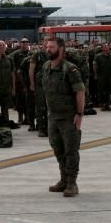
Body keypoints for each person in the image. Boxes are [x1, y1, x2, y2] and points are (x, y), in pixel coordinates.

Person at [42, 37, 85, 198]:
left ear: (60, 49)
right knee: (57, 149)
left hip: (68, 117)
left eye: (51, 47)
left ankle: (72, 183)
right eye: (47, 47)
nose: (48, 49)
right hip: (53, 116)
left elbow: (80, 91)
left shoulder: (70, 69)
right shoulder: (46, 67)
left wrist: (79, 114)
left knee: (71, 150)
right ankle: (63, 180)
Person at [94, 43, 111, 111]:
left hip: (109, 76)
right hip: (101, 76)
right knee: (101, 91)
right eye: (105, 47)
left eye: (107, 47)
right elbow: (95, 66)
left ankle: (107, 105)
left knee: (109, 91)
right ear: (102, 48)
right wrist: (95, 75)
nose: (107, 48)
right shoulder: (98, 56)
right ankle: (102, 104)